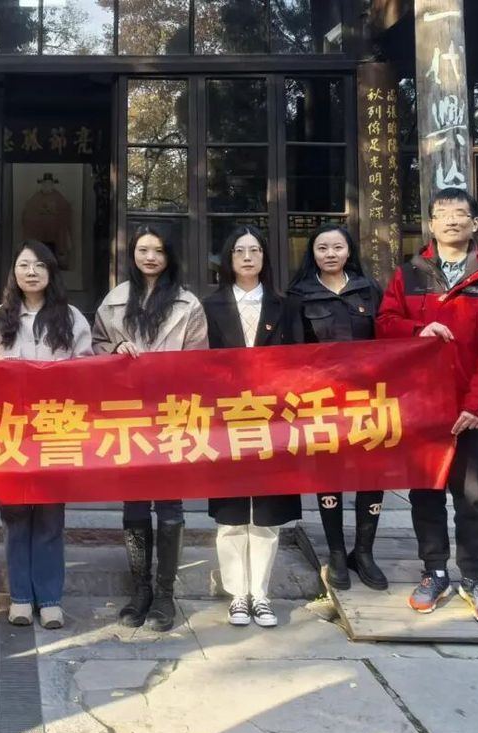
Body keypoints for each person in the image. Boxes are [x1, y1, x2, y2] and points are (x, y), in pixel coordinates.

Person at [377, 187, 478, 628]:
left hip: (472, 413)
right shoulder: (408, 275)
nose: (451, 220)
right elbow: (384, 325)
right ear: (431, 224)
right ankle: (434, 571)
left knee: (473, 498)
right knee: (426, 494)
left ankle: (475, 577)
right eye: (442, 214)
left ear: (475, 223)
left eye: (460, 213)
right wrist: (417, 329)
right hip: (422, 410)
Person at [92, 224, 208, 631]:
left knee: (170, 505)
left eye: (158, 250)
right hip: (128, 414)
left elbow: (200, 362)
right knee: (135, 503)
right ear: (133, 255)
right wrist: (115, 349)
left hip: (172, 414)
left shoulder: (188, 304)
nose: (150, 257)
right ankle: (139, 590)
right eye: (143, 250)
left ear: (169, 255)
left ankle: (164, 593)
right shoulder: (113, 302)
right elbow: (95, 348)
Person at [0, 240, 92, 629]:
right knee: (14, 516)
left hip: (55, 430)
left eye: (40, 265)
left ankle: (50, 598)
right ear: (14, 272)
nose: (31, 272)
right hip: (9, 431)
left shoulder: (71, 318)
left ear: (51, 272)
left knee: (49, 516)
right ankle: (21, 598)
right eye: (24, 264)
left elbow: (87, 370)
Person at [202, 226, 301, 628]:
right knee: (230, 515)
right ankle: (237, 595)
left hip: (273, 419)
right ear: (228, 259)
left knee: (266, 515)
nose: (247, 257)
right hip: (226, 419)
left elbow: (300, 362)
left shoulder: (285, 306)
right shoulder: (210, 306)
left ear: (264, 257)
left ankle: (260, 593)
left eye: (254, 250)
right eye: (239, 250)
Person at [287, 223, 388, 592]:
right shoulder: (299, 295)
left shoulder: (369, 289)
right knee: (329, 474)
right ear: (312, 253)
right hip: (322, 402)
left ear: (349, 251)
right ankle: (336, 551)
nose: (330, 254)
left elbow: (388, 339)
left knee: (372, 474)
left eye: (337, 247)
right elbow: (291, 353)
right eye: (322, 248)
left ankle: (364, 551)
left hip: (368, 400)